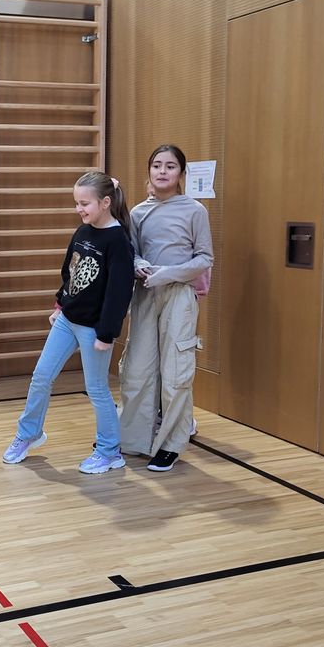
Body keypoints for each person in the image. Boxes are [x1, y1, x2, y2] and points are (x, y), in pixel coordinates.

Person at [2, 171, 134, 474]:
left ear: (105, 202)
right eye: (76, 203)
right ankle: (30, 433)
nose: (79, 209)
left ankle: (110, 451)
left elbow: (118, 295)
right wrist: (60, 304)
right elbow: (70, 272)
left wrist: (107, 333)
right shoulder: (83, 232)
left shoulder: (117, 242)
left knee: (97, 389)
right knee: (41, 377)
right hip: (68, 320)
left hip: (95, 328)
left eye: (84, 203)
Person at [119, 144, 213, 472]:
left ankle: (171, 444)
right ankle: (133, 438)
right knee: (138, 371)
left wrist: (167, 274)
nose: (162, 171)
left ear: (181, 174)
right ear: (149, 171)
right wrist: (140, 263)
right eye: (157, 165)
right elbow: (128, 253)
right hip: (145, 296)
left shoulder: (195, 210)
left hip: (179, 297)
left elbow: (205, 258)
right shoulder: (137, 213)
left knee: (176, 372)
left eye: (170, 166)